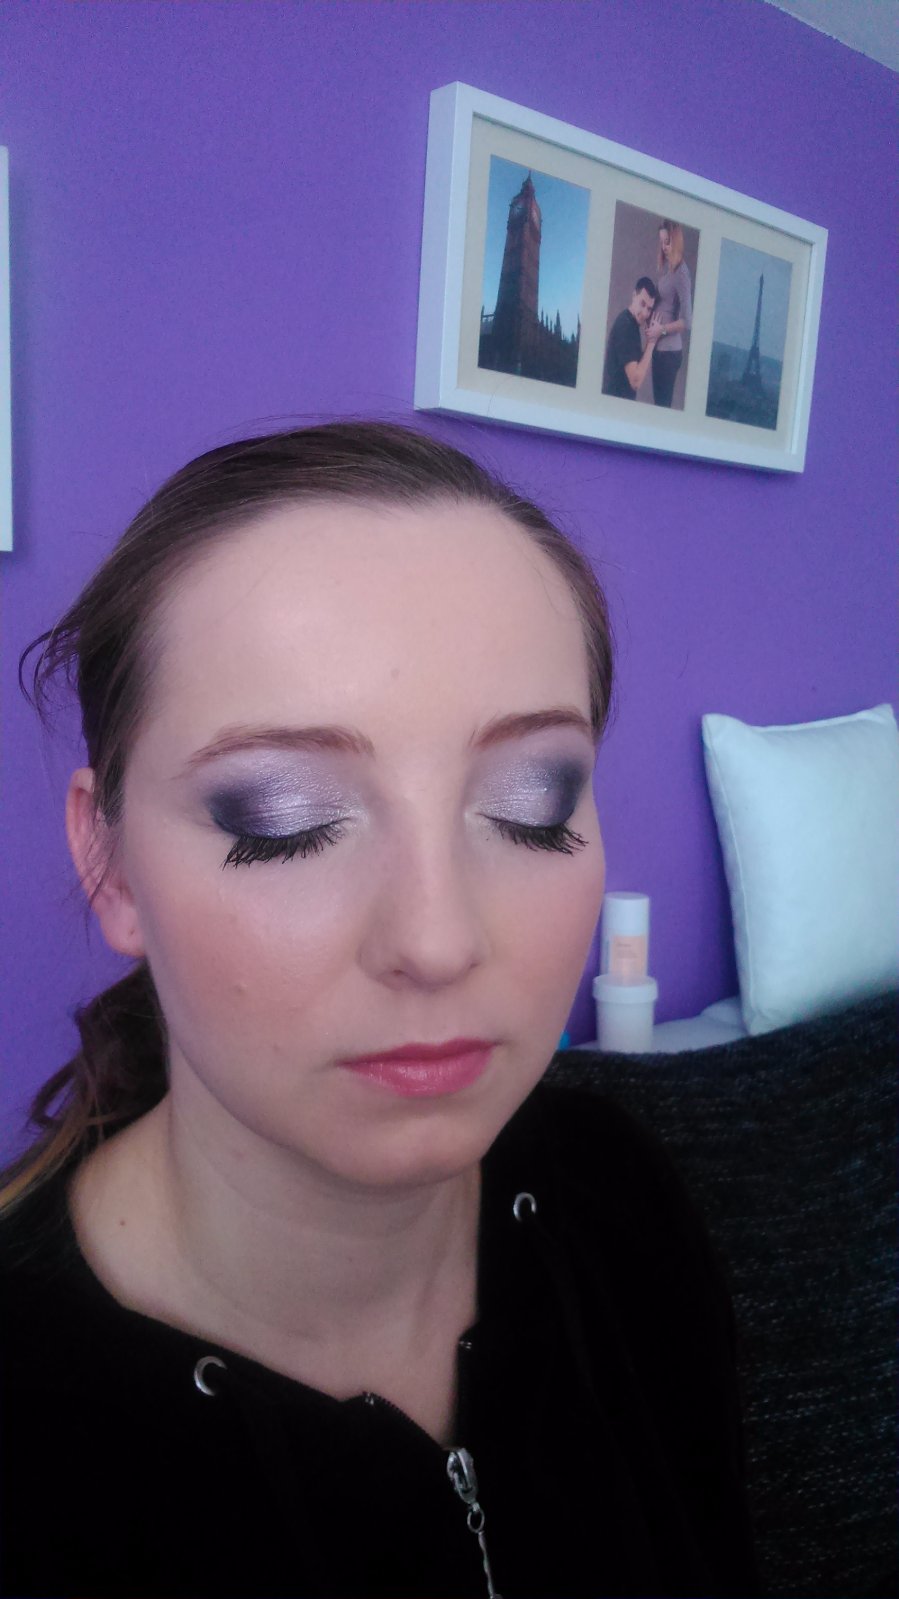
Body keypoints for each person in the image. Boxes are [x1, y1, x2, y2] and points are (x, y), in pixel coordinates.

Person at [0, 422, 759, 1599]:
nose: (436, 939)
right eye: (285, 817)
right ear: (110, 866)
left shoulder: (618, 1191)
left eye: (531, 800)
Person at [650, 220, 694, 408]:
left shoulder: (682, 273)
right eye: (661, 242)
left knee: (662, 409)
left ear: (676, 241)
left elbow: (687, 321)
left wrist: (661, 330)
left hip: (669, 354)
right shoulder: (670, 271)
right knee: (658, 407)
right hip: (659, 350)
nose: (664, 247)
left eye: (667, 242)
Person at [601, 276, 663, 400]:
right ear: (634, 295)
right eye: (642, 304)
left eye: (649, 309)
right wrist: (652, 342)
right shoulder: (626, 327)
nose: (645, 313)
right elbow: (636, 382)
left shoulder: (630, 323)